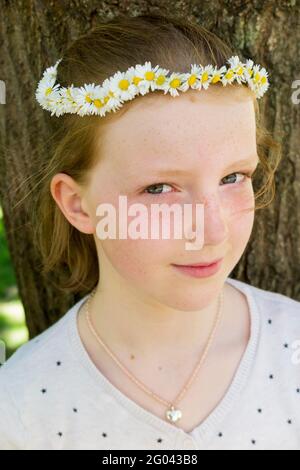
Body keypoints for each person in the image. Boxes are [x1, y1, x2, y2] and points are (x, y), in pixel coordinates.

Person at [0, 13, 299, 450]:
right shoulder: (21, 409)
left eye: (234, 177)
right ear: (78, 204)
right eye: (159, 189)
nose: (212, 230)